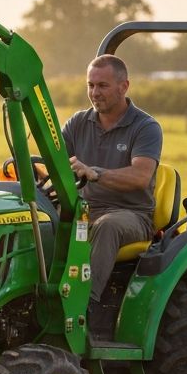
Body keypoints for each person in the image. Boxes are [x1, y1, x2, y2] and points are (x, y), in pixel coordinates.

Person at [62, 54, 163, 335]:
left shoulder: (145, 127)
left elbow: (141, 176)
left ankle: (84, 308)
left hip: (132, 216)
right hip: (84, 208)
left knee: (107, 226)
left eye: (103, 85)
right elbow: (56, 160)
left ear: (124, 86)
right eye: (91, 85)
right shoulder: (78, 123)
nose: (95, 93)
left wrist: (96, 173)